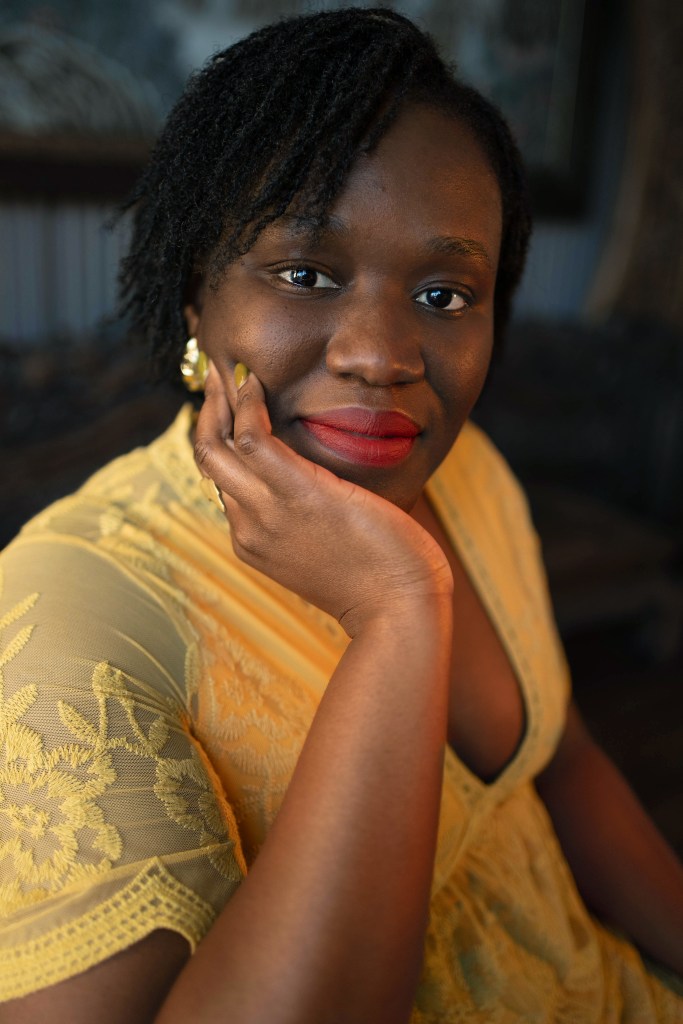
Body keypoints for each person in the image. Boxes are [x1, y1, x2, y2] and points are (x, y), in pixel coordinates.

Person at [0, 8, 681, 1022]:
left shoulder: (472, 475)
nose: (380, 355)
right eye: (305, 275)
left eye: (445, 295)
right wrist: (395, 611)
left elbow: (565, 763)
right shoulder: (69, 613)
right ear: (196, 301)